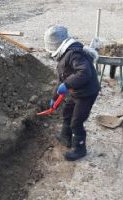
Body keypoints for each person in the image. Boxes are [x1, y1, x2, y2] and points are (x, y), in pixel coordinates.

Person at [44, 25, 100, 161]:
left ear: (56, 44)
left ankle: (80, 149)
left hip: (87, 93)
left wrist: (68, 84)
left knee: (77, 121)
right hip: (76, 91)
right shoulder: (64, 55)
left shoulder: (74, 54)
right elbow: (62, 79)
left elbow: (84, 72)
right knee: (67, 112)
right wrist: (54, 97)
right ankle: (65, 137)